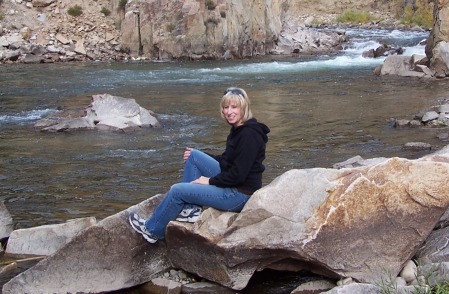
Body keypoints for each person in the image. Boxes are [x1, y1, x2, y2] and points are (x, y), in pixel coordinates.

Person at [128, 87, 270, 243]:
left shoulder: (249, 135)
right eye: (226, 107)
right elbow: (226, 161)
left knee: (177, 191)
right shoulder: (238, 129)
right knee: (194, 156)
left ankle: (152, 231)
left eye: (234, 107)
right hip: (234, 185)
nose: (229, 112)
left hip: (239, 194)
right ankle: (191, 210)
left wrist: (208, 181)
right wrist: (202, 155)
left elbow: (238, 175)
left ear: (244, 107)